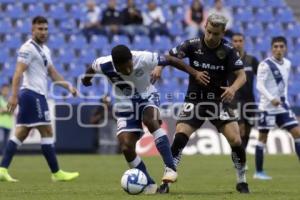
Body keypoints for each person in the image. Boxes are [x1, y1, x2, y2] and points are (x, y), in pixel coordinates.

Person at [81, 44, 207, 194]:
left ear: (132, 60)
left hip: (147, 97)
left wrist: (195, 73)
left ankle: (170, 168)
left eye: (129, 66)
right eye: (123, 68)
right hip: (125, 104)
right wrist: (86, 80)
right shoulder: (104, 64)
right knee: (126, 146)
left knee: (150, 120)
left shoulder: (143, 58)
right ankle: (148, 184)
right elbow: (91, 69)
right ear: (115, 65)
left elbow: (171, 60)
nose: (128, 70)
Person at [152, 14, 249, 193]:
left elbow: (242, 75)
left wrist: (233, 89)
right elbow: (169, 56)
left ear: (223, 32)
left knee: (236, 140)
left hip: (218, 101)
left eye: (216, 34)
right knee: (180, 135)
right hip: (195, 99)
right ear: (205, 26)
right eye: (209, 31)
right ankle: (166, 181)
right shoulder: (192, 44)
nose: (211, 37)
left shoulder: (228, 50)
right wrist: (159, 67)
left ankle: (241, 179)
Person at [0, 16, 79, 182]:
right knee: (47, 131)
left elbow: (52, 73)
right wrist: (13, 96)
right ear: (32, 30)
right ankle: (56, 173)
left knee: (21, 133)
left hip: (36, 95)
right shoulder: (27, 49)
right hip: (31, 94)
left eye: (45, 29)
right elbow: (18, 72)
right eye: (40, 29)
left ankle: (2, 169)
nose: (43, 32)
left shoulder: (45, 50)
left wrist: (68, 86)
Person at [254, 36, 300, 180]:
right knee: (262, 138)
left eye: (281, 46)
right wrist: (271, 98)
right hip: (267, 108)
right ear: (271, 48)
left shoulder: (287, 63)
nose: (278, 49)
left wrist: (283, 100)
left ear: (286, 48)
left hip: (282, 107)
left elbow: (283, 86)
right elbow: (259, 85)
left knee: (297, 133)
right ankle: (259, 172)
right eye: (276, 47)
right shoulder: (264, 65)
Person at [231, 33, 259, 150]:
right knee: (240, 130)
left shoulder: (252, 60)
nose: (238, 43)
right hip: (235, 100)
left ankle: (241, 156)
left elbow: (262, 77)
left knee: (247, 131)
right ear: (232, 43)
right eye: (235, 41)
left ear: (244, 42)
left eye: (240, 41)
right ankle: (240, 158)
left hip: (250, 100)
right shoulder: (229, 60)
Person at [0, 84, 13, 155]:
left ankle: (3, 156)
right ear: (1, 90)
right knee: (1, 140)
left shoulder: (10, 100)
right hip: (1, 123)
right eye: (4, 90)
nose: (6, 91)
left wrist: (5, 110)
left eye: (7, 90)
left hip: (8, 124)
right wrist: (7, 110)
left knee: (6, 142)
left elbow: (12, 111)